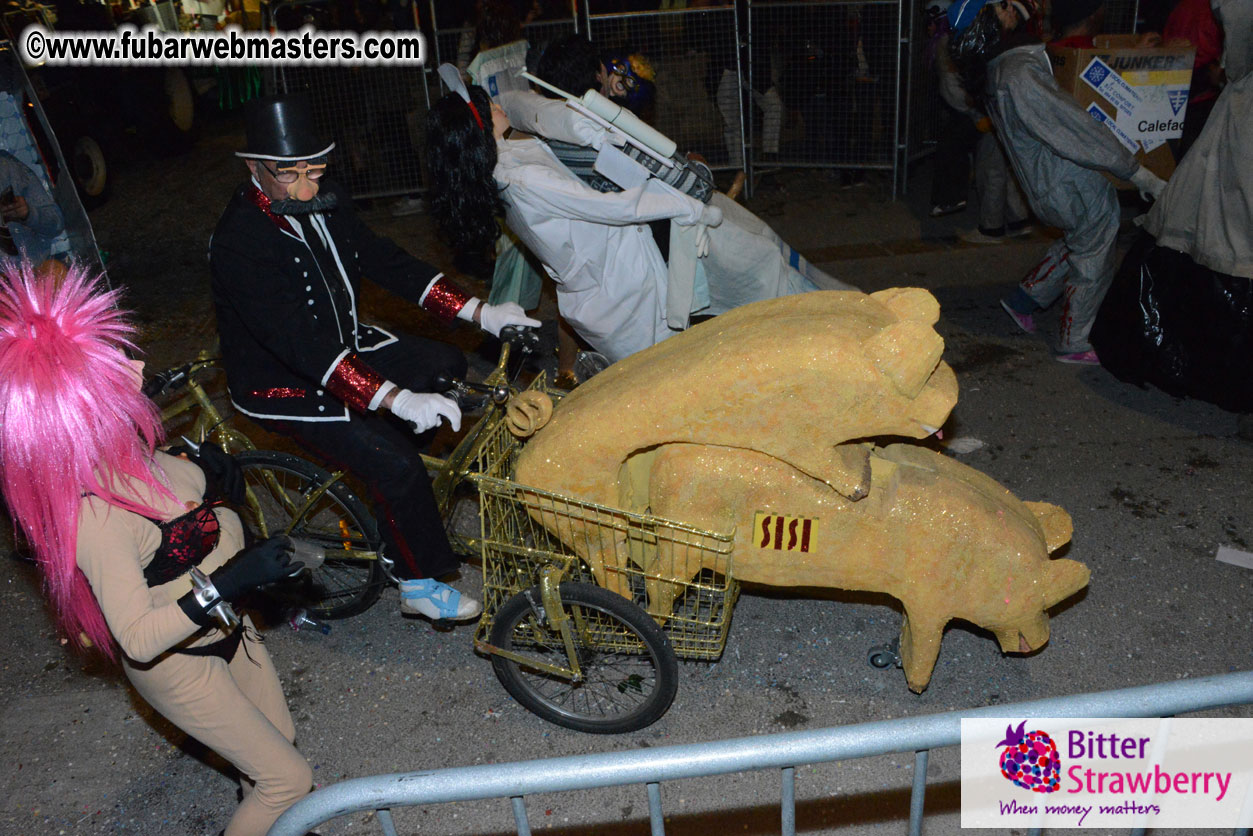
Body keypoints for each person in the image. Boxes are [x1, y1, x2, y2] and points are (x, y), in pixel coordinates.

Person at [0, 265, 311, 836]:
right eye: (117, 367)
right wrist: (230, 582)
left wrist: (217, 480)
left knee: (277, 747)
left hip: (233, 631)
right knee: (287, 780)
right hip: (179, 668)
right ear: (76, 407)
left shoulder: (135, 454)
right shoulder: (95, 519)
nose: (140, 368)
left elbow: (187, 504)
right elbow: (138, 640)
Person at [209, 95, 538, 620]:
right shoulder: (239, 241)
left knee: (446, 366)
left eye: (315, 170)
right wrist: (394, 399)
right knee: (395, 462)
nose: (307, 187)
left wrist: (479, 311)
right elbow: (298, 342)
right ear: (254, 167)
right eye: (289, 175)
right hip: (284, 379)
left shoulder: (326, 198)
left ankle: (397, 503)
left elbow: (384, 260)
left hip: (346, 342)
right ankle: (416, 579)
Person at [425, 83, 717, 363]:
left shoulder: (505, 164)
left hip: (607, 285)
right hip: (618, 293)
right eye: (491, 108)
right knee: (661, 370)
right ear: (477, 128)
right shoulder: (522, 178)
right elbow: (612, 207)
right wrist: (688, 206)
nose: (500, 107)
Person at [948, 0, 1168, 364]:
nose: (1011, 7)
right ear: (987, 22)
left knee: (1080, 238)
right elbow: (1073, 129)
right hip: (1066, 178)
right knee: (1094, 251)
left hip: (1047, 181)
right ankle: (1074, 340)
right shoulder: (1018, 71)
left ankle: (1023, 300)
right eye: (1001, 5)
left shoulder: (999, 68)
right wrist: (1134, 171)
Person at [0, 149, 65, 267]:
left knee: (57, 269)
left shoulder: (8, 168)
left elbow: (56, 224)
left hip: (36, 266)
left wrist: (29, 214)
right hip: (7, 273)